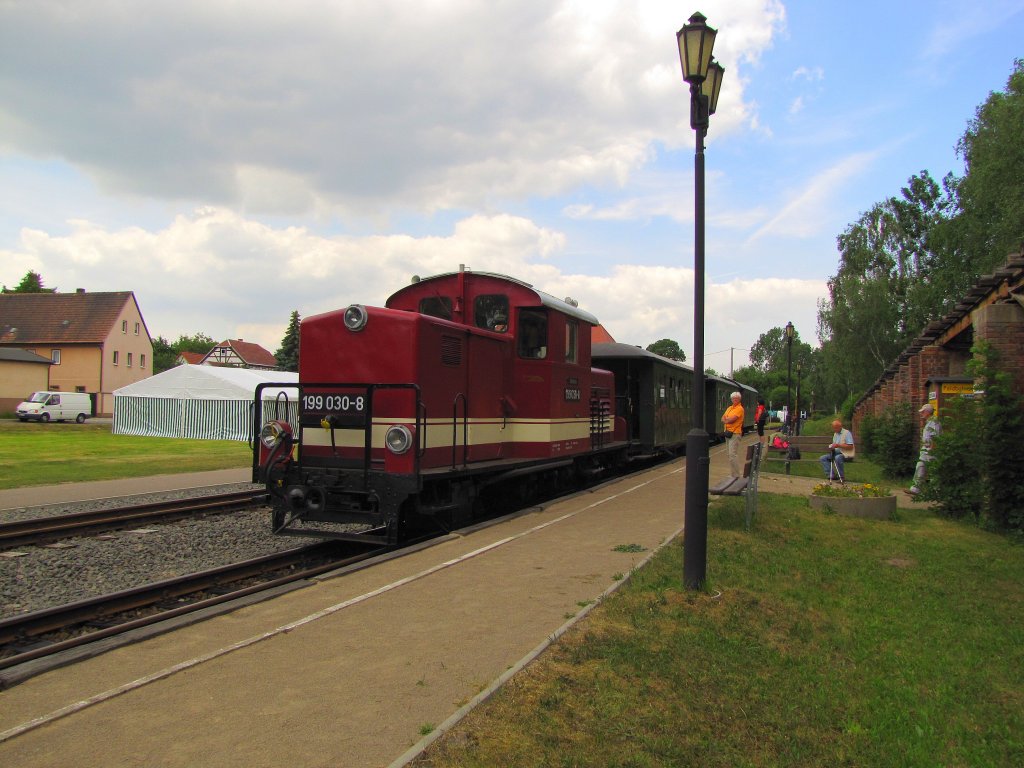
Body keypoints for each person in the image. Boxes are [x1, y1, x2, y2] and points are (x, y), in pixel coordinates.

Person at [906, 403, 941, 496]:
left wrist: (933, 448)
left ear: (927, 412)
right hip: (925, 448)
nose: (921, 414)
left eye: (923, 412)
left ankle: (936, 491)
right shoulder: (929, 421)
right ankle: (915, 489)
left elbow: (935, 436)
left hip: (931, 448)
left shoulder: (934, 422)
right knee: (920, 466)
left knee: (933, 470)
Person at [721, 391, 745, 477]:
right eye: (733, 398)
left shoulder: (740, 409)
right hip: (728, 433)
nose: (735, 400)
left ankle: (736, 475)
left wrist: (727, 419)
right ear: (731, 399)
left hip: (735, 433)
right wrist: (726, 419)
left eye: (736, 398)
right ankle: (733, 474)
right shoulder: (729, 408)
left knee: (732, 454)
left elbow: (731, 420)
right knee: (729, 454)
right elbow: (722, 418)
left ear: (739, 399)